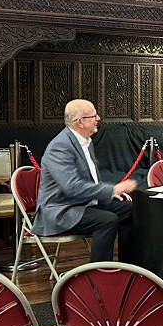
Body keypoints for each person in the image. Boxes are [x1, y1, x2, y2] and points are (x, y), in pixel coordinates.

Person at [32, 99, 137, 262]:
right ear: (80, 122)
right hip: (61, 209)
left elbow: (90, 180)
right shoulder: (60, 147)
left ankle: (129, 265)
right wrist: (111, 190)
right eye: (93, 115)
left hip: (83, 203)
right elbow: (72, 187)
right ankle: (99, 273)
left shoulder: (86, 143)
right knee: (107, 220)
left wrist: (107, 194)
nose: (98, 118)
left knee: (129, 209)